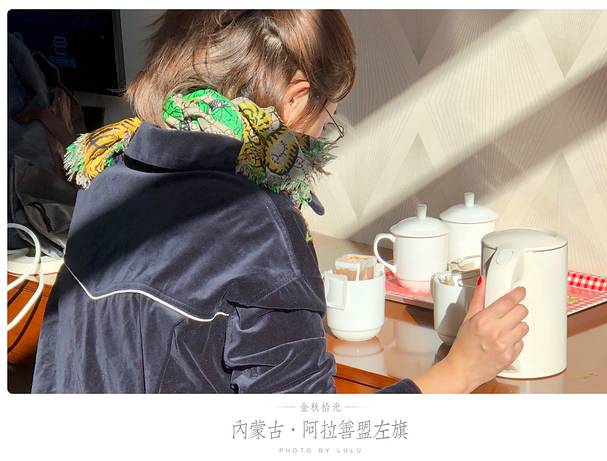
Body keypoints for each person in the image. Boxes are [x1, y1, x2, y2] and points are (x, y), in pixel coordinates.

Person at [31, 10, 529, 394]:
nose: (320, 136)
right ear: (296, 98)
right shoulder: (257, 223)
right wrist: (461, 370)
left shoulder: (108, 174)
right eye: (327, 120)